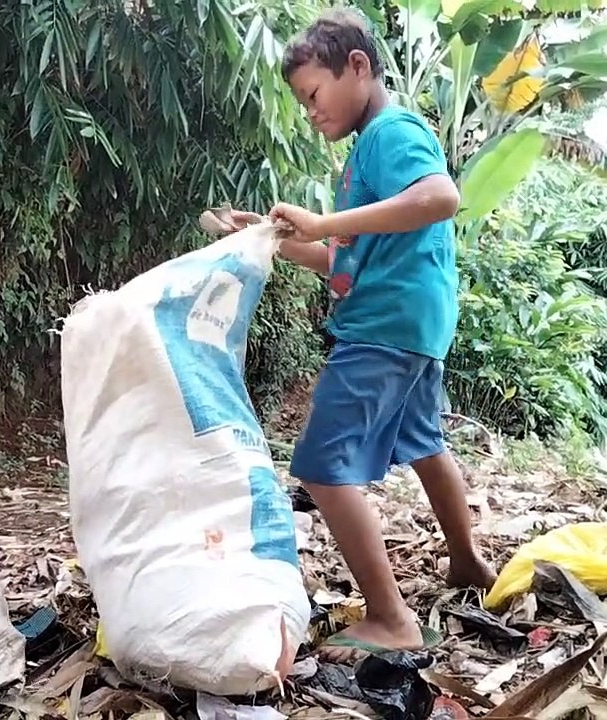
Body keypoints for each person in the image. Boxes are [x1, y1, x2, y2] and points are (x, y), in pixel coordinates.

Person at [205, 9, 496, 661]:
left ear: (358, 67)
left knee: (320, 466)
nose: (310, 111)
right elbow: (340, 258)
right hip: (412, 324)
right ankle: (468, 561)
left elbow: (441, 197)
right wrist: (272, 238)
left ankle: (391, 619)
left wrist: (324, 219)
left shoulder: (392, 132)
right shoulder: (371, 150)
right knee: (424, 442)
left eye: (313, 94)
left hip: (383, 326)